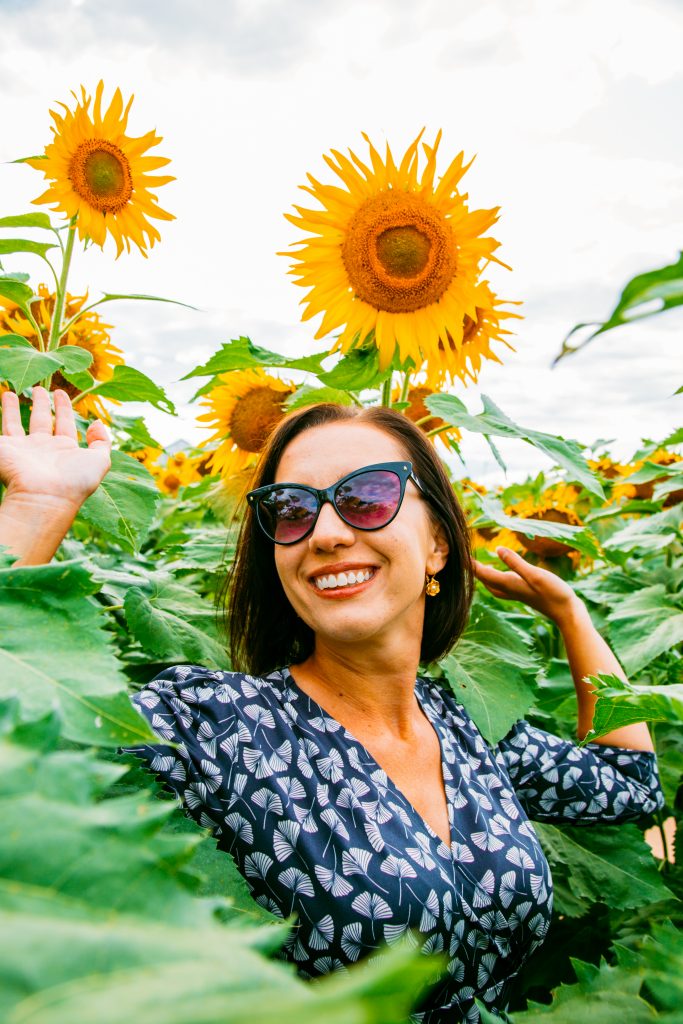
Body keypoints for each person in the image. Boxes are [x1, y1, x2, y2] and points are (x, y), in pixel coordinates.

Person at [0, 386, 664, 1023]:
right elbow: (19, 737)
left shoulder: (469, 723)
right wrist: (37, 509)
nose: (323, 531)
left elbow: (629, 785)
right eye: (290, 509)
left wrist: (572, 616)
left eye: (367, 497)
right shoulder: (218, 726)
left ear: (438, 542)